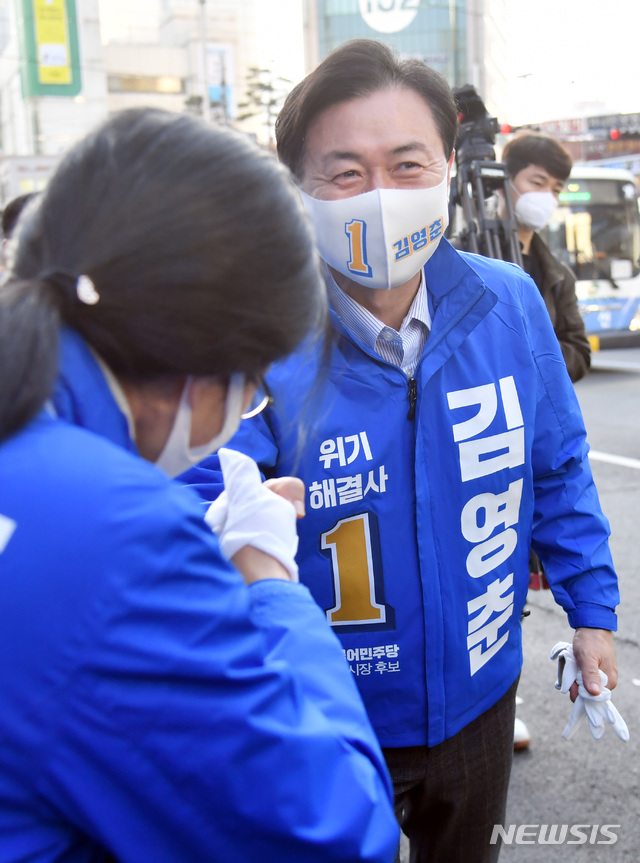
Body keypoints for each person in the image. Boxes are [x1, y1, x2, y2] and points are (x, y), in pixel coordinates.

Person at [182, 40, 620, 863]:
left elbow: (557, 466)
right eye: (345, 173)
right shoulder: (251, 334)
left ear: (450, 167)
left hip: (483, 699)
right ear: (299, 189)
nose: (381, 197)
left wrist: (591, 612)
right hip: (321, 715)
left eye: (408, 164)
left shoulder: (510, 302)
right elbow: (209, 517)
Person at [0, 107, 400, 863]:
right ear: (198, 359)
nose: (247, 409)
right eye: (251, 389)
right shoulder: (121, 537)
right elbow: (336, 835)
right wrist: (271, 579)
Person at [500, 131, 591, 383]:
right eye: (538, 183)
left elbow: (580, 355)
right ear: (503, 181)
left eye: (556, 189)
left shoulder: (559, 275)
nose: (547, 198)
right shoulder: (466, 256)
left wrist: (533, 351)